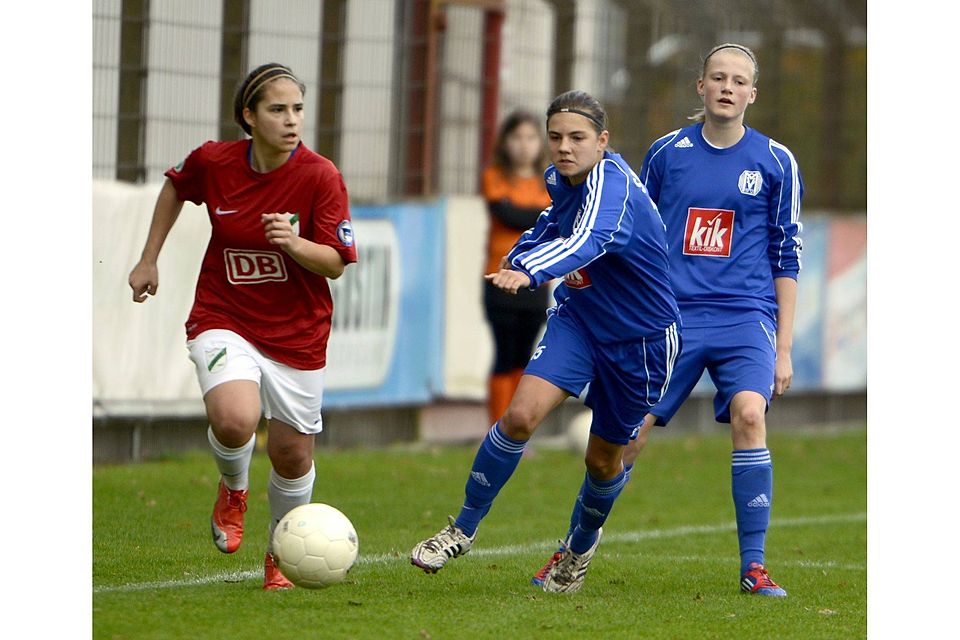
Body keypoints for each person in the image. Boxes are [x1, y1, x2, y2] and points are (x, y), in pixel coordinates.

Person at [532, 43, 803, 598]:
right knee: (627, 438)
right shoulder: (665, 154)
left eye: (739, 81)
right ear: (700, 86)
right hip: (667, 318)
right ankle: (573, 551)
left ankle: (754, 567)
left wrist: (783, 348)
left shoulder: (777, 162)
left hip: (744, 316)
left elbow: (787, 255)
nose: (727, 87)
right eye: (717, 77)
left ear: (752, 94)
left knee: (750, 414)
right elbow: (628, 228)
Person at [410, 90, 681, 594]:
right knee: (519, 417)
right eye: (555, 137)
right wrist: (519, 255)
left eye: (577, 137)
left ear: (602, 141)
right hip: (580, 321)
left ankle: (580, 547)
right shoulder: (559, 179)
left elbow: (589, 240)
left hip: (641, 341)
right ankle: (461, 530)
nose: (563, 147)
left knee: (603, 461)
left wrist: (530, 271)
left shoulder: (614, 186)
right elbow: (552, 223)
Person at [127, 63, 358, 590]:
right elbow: (176, 187)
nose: (292, 120)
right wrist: (149, 258)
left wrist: (294, 244)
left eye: (298, 109)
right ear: (249, 117)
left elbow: (336, 263)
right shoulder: (215, 161)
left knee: (291, 454)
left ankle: (281, 552)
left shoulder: (320, 176)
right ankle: (233, 490)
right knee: (235, 419)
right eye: (278, 110)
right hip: (224, 316)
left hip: (298, 333)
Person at [481, 111, 553, 424]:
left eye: (531, 138)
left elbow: (546, 217)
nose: (524, 145)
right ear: (505, 142)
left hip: (535, 281)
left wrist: (543, 216)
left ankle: (516, 427)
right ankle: (496, 426)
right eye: (517, 137)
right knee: (504, 353)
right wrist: (543, 216)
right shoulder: (495, 176)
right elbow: (508, 215)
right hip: (498, 278)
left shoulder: (548, 180)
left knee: (525, 356)